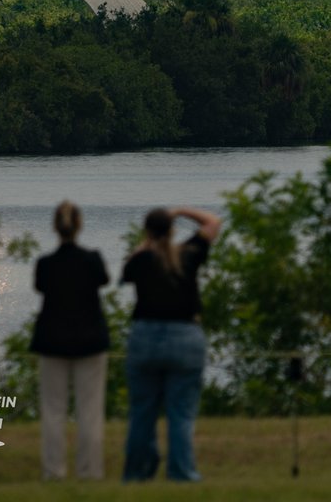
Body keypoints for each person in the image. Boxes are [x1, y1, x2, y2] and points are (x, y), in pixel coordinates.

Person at [121, 205, 221, 482]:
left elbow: (128, 269)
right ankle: (182, 473)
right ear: (172, 230)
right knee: (181, 415)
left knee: (142, 412)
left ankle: (137, 474)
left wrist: (148, 240)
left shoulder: (141, 259)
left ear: (147, 232)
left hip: (146, 336)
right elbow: (213, 221)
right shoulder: (188, 253)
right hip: (185, 336)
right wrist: (180, 211)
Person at [29, 201, 110, 481]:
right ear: (79, 226)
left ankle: (53, 471)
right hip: (90, 340)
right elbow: (103, 280)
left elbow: (40, 287)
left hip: (52, 340)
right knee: (90, 410)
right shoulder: (93, 260)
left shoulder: (45, 264)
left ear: (55, 227)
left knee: (53, 410)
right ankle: (90, 472)